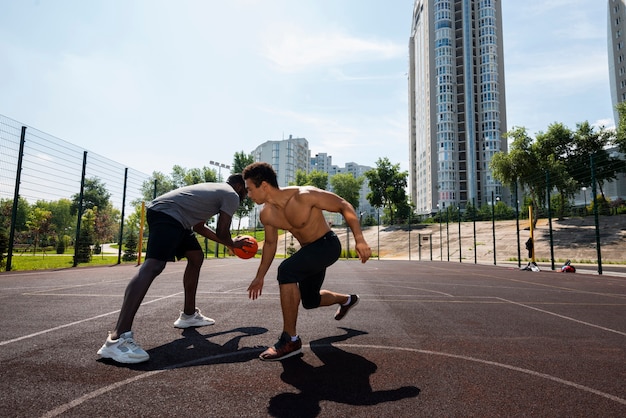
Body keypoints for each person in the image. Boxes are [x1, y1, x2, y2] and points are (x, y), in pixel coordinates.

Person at [97, 174, 252, 364]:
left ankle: (188, 315)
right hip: (169, 213)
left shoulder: (215, 192)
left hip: (177, 217)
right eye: (246, 190)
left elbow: (199, 226)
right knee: (154, 265)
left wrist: (230, 244)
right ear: (238, 185)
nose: (246, 195)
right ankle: (117, 339)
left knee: (196, 256)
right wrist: (233, 243)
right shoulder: (231, 194)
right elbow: (222, 232)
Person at [242, 162, 372, 361]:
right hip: (309, 252)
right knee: (310, 301)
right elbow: (269, 244)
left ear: (264, 185)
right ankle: (347, 299)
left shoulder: (304, 195)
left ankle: (290, 339)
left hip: (327, 245)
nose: (249, 195)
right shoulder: (266, 214)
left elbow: (343, 205)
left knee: (286, 271)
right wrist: (259, 277)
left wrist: (359, 239)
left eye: (250, 189)